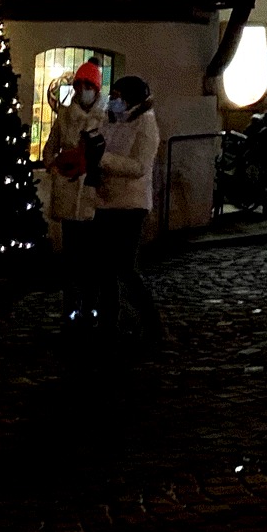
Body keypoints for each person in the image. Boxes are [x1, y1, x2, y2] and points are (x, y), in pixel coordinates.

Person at [95, 75, 164, 348]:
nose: (114, 99)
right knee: (105, 269)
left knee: (125, 267)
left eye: (118, 95)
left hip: (130, 205)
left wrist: (103, 160)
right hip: (107, 201)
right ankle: (109, 323)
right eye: (112, 95)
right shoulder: (113, 120)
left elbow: (138, 166)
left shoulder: (146, 124)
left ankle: (151, 322)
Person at [43, 59, 110, 321]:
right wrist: (56, 167)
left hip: (93, 193)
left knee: (92, 256)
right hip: (70, 191)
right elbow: (50, 148)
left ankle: (92, 304)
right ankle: (71, 306)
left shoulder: (105, 118)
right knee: (71, 256)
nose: (83, 90)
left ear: (95, 88)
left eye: (88, 85)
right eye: (79, 84)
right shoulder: (65, 116)